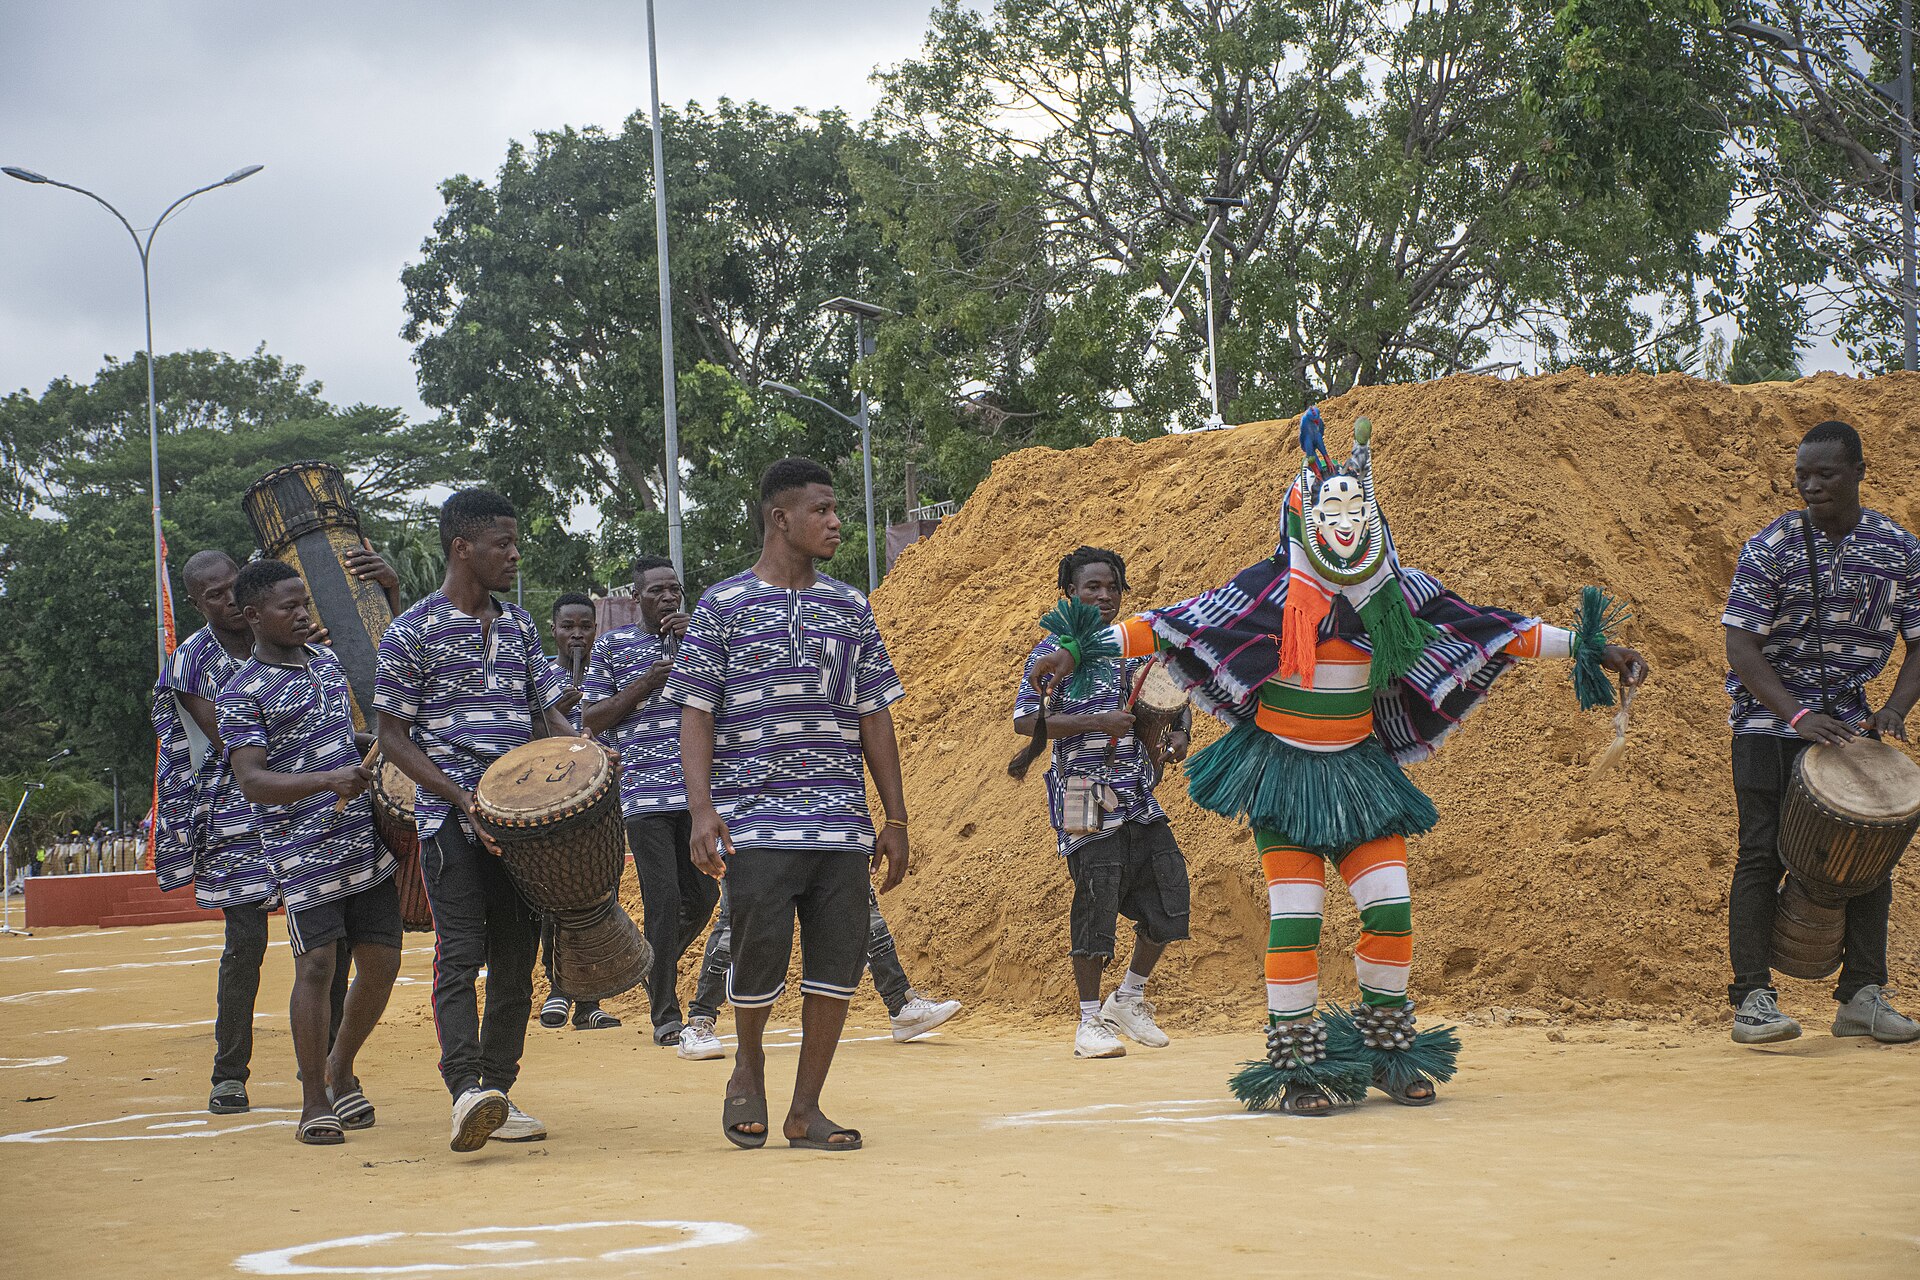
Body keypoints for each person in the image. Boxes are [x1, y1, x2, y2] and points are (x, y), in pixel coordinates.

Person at [1031, 408, 1649, 1114]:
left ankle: (1389, 1052)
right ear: (1302, 513)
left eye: (1356, 512)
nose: (1344, 525)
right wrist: (1079, 649)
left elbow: (1493, 630)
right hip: (1283, 777)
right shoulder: (1265, 591)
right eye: (1330, 511)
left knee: (1392, 913)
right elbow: (1171, 623)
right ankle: (1296, 1067)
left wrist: (1591, 647)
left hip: (1360, 775)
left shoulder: (1402, 593)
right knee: (1298, 918)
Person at [669, 457, 909, 1151]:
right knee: (759, 953)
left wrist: (894, 818)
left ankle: (806, 1109)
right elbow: (697, 714)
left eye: (836, 511)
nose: (836, 522)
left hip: (839, 824)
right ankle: (748, 1066)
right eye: (822, 510)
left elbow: (874, 715)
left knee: (839, 961)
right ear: (781, 518)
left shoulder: (849, 606)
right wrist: (701, 809)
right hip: (756, 821)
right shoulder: (722, 606)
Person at [375, 488, 576, 1152]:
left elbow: (546, 709)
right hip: (449, 823)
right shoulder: (413, 632)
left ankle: (499, 1091)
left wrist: (579, 758)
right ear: (463, 548)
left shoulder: (518, 625)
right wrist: (464, 802)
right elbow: (395, 738)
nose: (516, 555)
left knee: (517, 962)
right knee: (459, 956)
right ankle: (465, 1090)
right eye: (504, 544)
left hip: (520, 826)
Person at [1722, 419, 1920, 1046]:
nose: (1810, 485)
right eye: (1802, 474)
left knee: (1871, 860)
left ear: (1860, 471)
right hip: (1767, 726)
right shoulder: (1771, 547)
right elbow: (1741, 646)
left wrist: (1893, 710)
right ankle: (1752, 999)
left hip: (1850, 731)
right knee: (1760, 853)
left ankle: (1862, 996)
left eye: (1825, 474)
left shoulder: (1899, 549)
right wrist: (1798, 716)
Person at [219, 560, 403, 1145]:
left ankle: (339, 1066)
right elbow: (251, 780)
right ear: (252, 617)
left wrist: (367, 748)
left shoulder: (325, 664)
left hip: (360, 841)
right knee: (317, 966)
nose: (302, 615)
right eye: (287, 607)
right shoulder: (240, 692)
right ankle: (313, 1100)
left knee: (382, 963)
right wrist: (329, 782)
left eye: (305, 604)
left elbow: (330, 737)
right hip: (300, 850)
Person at [1015, 547, 1191, 1059]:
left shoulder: (1135, 648)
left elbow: (1172, 697)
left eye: (1112, 587)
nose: (1104, 596)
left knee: (1170, 896)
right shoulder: (1050, 652)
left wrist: (1179, 735)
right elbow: (1026, 723)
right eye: (1092, 587)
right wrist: (1097, 722)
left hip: (1137, 793)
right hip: (1079, 793)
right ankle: (1088, 1022)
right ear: (1069, 593)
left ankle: (1129, 998)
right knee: (1095, 902)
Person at [581, 557, 711, 1044]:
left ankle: (647, 965)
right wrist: (645, 684)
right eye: (656, 592)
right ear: (636, 599)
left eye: (674, 590)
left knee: (703, 897)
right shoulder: (614, 646)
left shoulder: (701, 639)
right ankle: (665, 1015)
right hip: (645, 795)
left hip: (698, 793)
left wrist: (696, 642)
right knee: (663, 900)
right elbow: (593, 716)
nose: (668, 599)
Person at [675, 883, 963, 1061]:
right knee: (738, 914)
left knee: (859, 899)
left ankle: (901, 1004)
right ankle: (699, 1021)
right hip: (758, 822)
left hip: (825, 818)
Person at [536, 591, 617, 1031]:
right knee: (556, 899)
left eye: (585, 626)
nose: (577, 635)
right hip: (549, 801)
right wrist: (560, 708)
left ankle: (590, 1002)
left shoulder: (602, 674)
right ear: (554, 629)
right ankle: (556, 988)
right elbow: (534, 725)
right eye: (568, 627)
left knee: (599, 895)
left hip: (595, 802)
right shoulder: (543, 676)